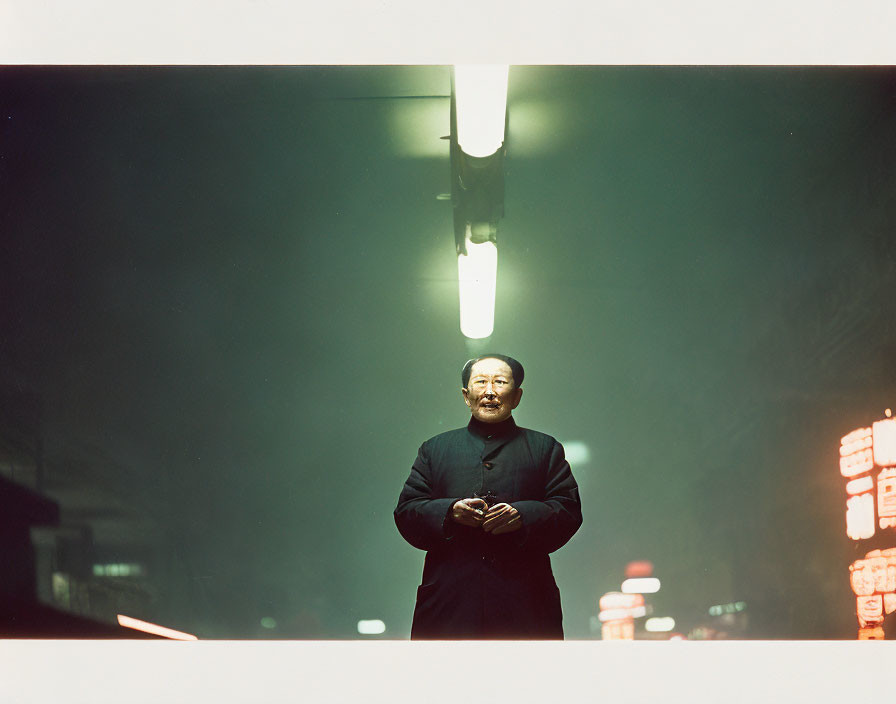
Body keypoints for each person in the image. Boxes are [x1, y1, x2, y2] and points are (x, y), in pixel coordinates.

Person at [394, 354, 582, 639]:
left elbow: (568, 510)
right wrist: (450, 511)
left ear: (516, 396)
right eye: (481, 382)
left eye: (500, 382)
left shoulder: (545, 448)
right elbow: (407, 511)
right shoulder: (434, 449)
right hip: (449, 604)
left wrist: (522, 516)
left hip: (526, 605)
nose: (490, 391)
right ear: (466, 395)